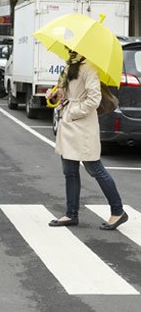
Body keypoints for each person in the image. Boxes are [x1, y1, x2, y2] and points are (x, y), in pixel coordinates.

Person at [46, 50, 128, 230]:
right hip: (69, 124)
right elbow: (67, 93)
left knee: (95, 168)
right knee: (69, 170)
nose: (68, 48)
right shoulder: (70, 66)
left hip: (81, 126)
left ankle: (118, 211)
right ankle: (71, 214)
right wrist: (56, 95)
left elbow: (94, 100)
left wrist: (73, 112)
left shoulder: (89, 68)